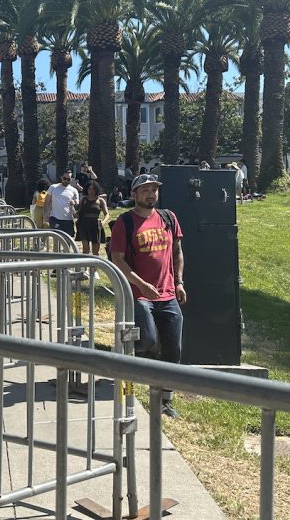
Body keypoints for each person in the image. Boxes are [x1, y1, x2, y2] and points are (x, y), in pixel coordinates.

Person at [109, 173, 185, 418]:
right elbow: (117, 259)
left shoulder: (168, 218)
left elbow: (177, 252)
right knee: (150, 340)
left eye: (154, 190)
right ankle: (126, 355)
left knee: (173, 350)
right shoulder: (125, 222)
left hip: (168, 294)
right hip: (140, 295)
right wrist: (141, 285)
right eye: (144, 190)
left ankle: (165, 399)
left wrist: (180, 282)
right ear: (134, 195)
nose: (151, 194)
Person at [75, 181, 109, 255]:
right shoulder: (83, 200)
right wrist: (73, 211)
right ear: (86, 189)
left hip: (95, 225)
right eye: (89, 189)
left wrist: (103, 222)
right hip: (84, 225)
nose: (91, 191)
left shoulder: (100, 200)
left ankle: (93, 266)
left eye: (93, 189)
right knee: (85, 248)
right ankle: (85, 265)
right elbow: (79, 212)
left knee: (95, 250)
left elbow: (107, 214)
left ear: (96, 190)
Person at [43, 170, 79, 238]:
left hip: (68, 218)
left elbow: (77, 203)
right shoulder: (53, 187)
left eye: (68, 179)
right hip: (55, 218)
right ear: (61, 177)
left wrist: (74, 202)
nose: (66, 181)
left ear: (71, 179)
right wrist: (46, 214)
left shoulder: (74, 190)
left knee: (68, 241)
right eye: (64, 178)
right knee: (56, 240)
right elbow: (47, 201)